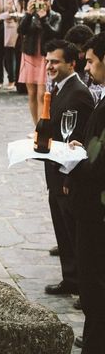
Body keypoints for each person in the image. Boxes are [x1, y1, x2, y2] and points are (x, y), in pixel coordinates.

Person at [41, 40, 94, 303]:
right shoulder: (60, 88)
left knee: (73, 232)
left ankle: (82, 287)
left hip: (66, 174)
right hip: (55, 171)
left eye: (55, 62)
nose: (49, 66)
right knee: (61, 228)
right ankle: (70, 277)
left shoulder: (78, 93)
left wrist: (68, 176)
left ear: (71, 64)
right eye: (48, 61)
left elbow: (79, 137)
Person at [67, 33, 105, 353]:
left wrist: (75, 163)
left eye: (91, 61)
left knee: (94, 286)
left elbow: (99, 165)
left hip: (96, 210)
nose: (88, 68)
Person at [18, 0, 61, 125]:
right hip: (29, 55)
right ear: (35, 0)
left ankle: (41, 127)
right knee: (31, 93)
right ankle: (35, 126)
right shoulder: (31, 14)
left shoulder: (55, 16)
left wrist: (44, 19)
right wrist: (28, 14)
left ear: (50, 1)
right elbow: (21, 30)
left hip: (45, 57)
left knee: (42, 95)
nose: (42, 2)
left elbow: (54, 34)